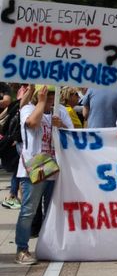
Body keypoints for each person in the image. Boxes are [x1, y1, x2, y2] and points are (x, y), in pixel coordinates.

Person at [14, 85, 73, 265]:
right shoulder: (29, 109)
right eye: (47, 95)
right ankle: (22, 249)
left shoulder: (60, 110)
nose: (50, 99)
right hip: (36, 165)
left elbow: (72, 134)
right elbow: (32, 124)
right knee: (29, 210)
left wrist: (60, 125)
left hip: (56, 167)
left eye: (52, 96)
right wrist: (40, 102)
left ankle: (48, 246)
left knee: (52, 210)